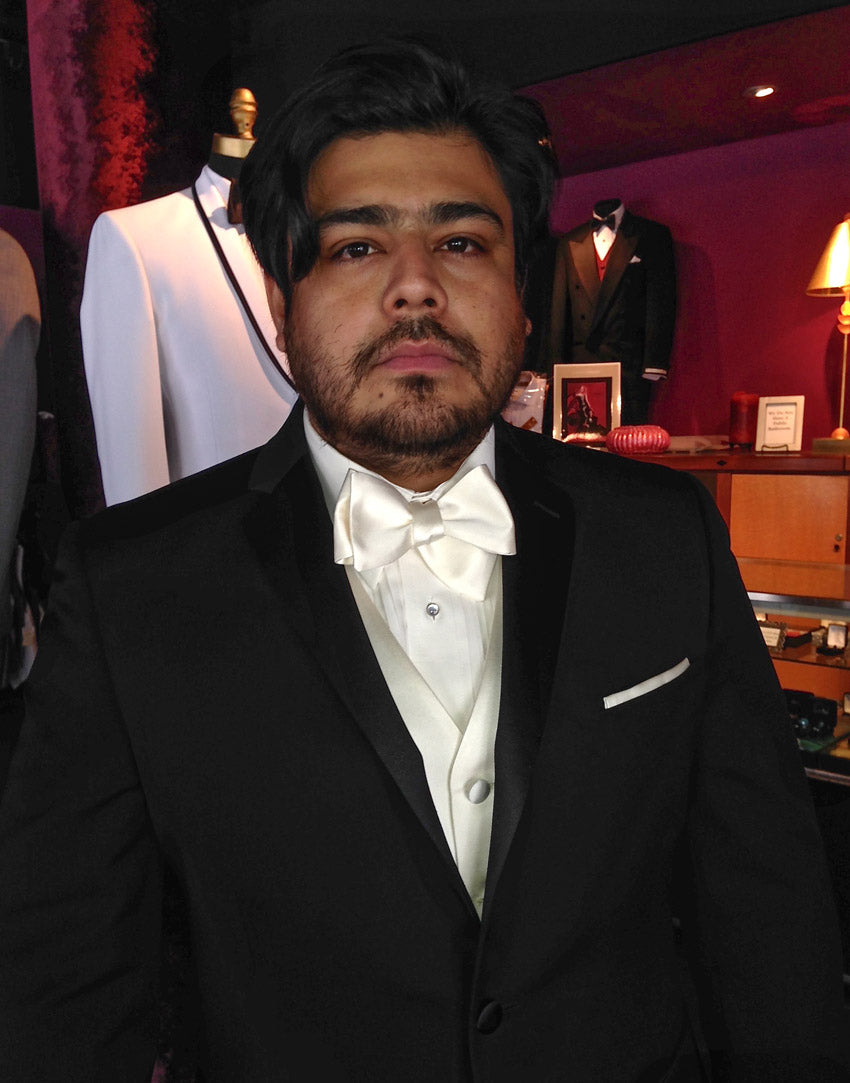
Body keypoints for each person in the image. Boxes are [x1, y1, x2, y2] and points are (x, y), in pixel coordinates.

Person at [0, 39, 847, 1083]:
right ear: (282, 299)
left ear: (521, 292)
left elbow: (764, 902)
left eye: (460, 243)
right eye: (355, 249)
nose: (413, 291)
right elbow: (67, 987)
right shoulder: (133, 583)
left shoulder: (664, 530)